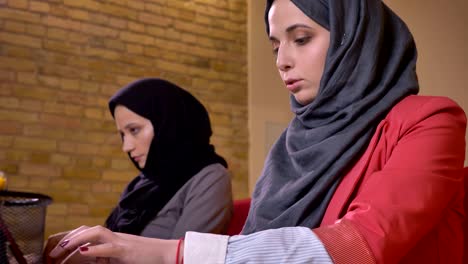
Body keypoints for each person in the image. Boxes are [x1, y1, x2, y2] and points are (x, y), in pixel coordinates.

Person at [48, 0, 467, 263]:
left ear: (356, 41)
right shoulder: (291, 146)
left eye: (301, 38)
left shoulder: (430, 120)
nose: (282, 60)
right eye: (274, 46)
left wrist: (161, 253)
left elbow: (363, 244)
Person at [44, 78, 233, 263]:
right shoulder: (142, 185)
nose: (126, 146)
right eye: (122, 134)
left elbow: (187, 258)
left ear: (168, 123)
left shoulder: (210, 177)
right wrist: (80, 246)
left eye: (134, 130)